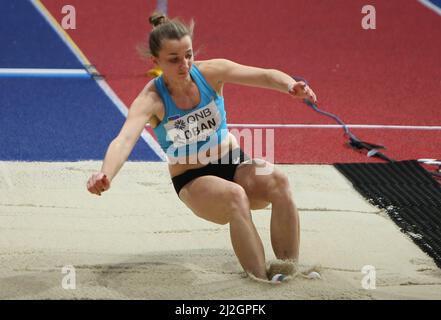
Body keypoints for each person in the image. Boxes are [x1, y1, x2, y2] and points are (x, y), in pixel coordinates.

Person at [87, 13, 317, 282]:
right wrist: (106, 174)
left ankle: (288, 269)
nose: (184, 65)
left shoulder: (211, 73)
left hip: (234, 162)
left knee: (278, 180)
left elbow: (264, 75)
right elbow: (124, 140)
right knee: (235, 197)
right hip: (193, 179)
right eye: (174, 59)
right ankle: (261, 282)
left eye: (189, 55)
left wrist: (290, 85)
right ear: (156, 62)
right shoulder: (151, 99)